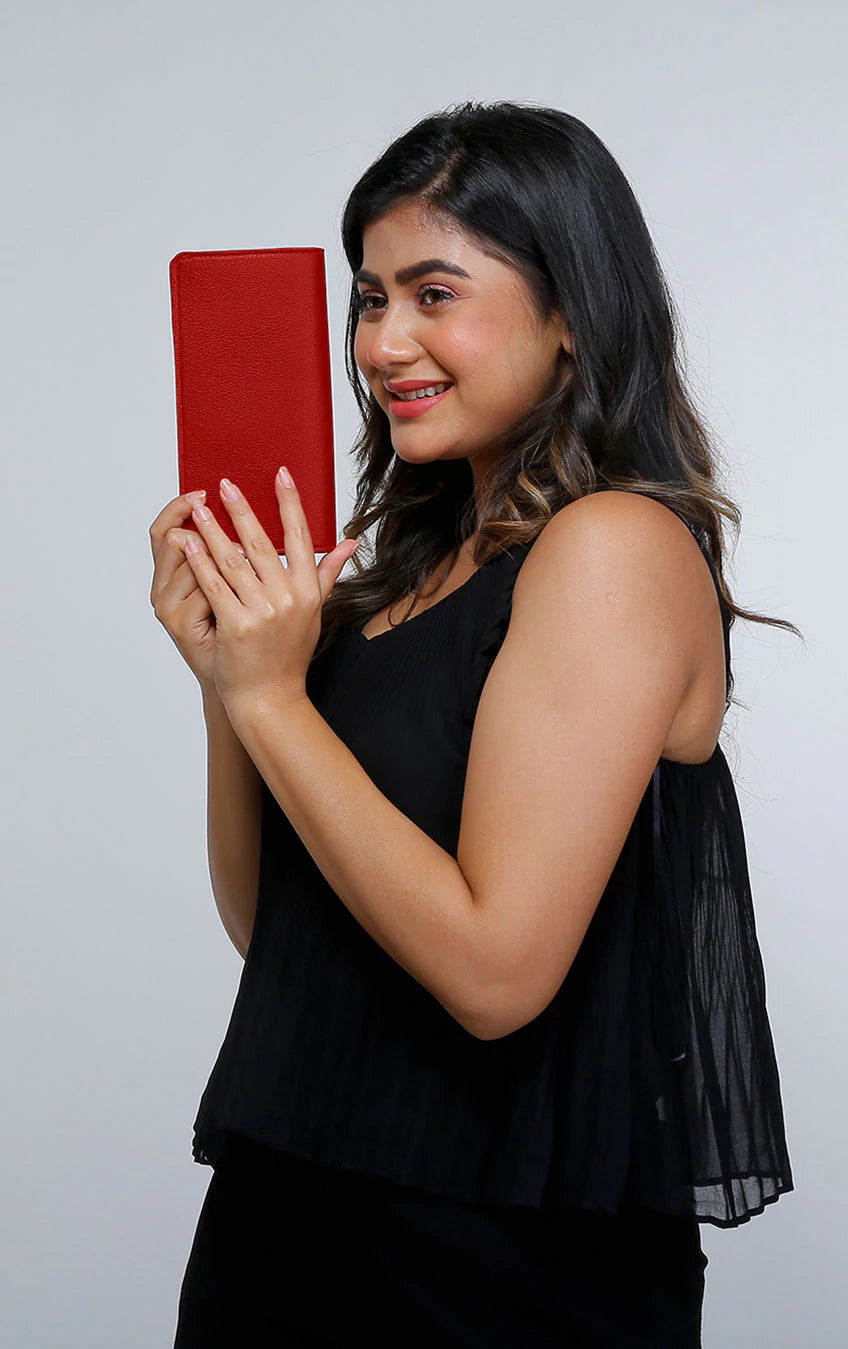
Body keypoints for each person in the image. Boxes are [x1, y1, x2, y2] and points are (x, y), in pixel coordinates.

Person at [151, 100, 797, 1348]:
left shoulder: (614, 546)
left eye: (433, 293)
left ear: (570, 314)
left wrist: (273, 698)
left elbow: (497, 975)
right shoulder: (398, 580)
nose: (383, 342)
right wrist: (233, 680)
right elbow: (275, 926)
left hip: (493, 1273)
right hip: (281, 1230)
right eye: (368, 297)